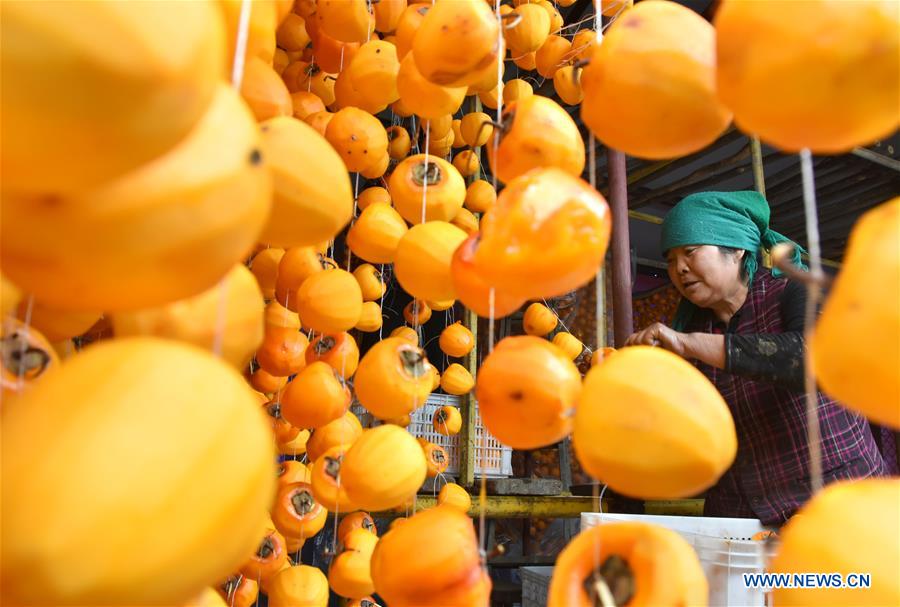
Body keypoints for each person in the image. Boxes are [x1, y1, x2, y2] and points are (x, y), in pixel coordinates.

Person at [626, 190, 890, 526]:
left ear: (736, 250)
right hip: (746, 518)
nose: (679, 268)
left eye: (690, 252)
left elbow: (812, 359)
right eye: (671, 259)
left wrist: (690, 344)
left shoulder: (796, 291)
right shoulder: (692, 327)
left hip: (839, 506)